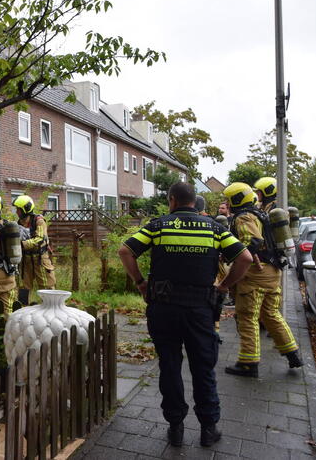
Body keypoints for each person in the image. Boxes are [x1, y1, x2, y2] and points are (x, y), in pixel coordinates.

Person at [118, 182, 252, 447]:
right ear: (195, 202)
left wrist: (140, 283)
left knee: (169, 366)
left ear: (172, 200)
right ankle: (208, 429)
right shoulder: (215, 228)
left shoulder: (158, 226)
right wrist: (224, 286)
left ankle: (176, 426)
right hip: (200, 311)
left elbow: (125, 250)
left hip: (163, 309)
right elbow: (245, 258)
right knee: (203, 368)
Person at [222, 182, 303, 377]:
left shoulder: (244, 217)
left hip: (255, 275)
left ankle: (248, 363)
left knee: (247, 317)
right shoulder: (261, 213)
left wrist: (232, 255)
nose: (227, 203)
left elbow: (252, 240)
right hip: (272, 272)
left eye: (228, 199)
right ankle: (292, 354)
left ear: (237, 199)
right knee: (271, 314)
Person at [13, 195, 55, 305]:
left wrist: (23, 244)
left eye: (18, 209)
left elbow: (40, 238)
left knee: (46, 286)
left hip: (40, 259)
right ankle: (23, 309)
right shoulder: (19, 223)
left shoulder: (39, 221)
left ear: (25, 209)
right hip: (26, 260)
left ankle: (50, 308)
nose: (16, 212)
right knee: (24, 287)